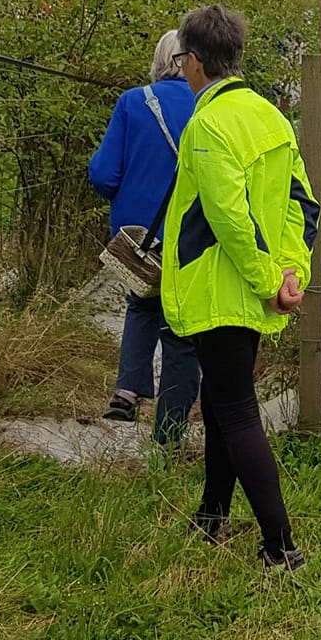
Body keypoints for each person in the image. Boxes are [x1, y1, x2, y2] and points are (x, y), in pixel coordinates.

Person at [161, 5, 316, 570]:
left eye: (182, 60)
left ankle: (280, 546)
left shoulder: (206, 125)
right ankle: (213, 514)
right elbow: (302, 202)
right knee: (225, 400)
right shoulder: (271, 116)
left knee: (236, 408)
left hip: (220, 288)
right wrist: (290, 272)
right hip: (257, 287)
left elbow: (228, 216)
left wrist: (267, 279)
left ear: (194, 61)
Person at [89, 29, 200, 444]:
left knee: (141, 305)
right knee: (184, 319)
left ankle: (127, 392)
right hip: (192, 229)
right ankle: (179, 406)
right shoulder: (208, 103)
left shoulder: (134, 101)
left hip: (140, 231)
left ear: (159, 60)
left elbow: (103, 174)